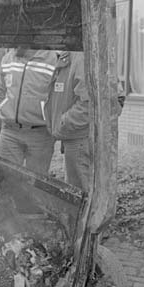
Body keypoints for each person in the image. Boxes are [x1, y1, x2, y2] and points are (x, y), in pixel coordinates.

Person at [0, 48, 59, 175]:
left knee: (36, 182)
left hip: (41, 134)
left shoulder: (53, 60)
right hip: (9, 132)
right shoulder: (8, 59)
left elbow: (59, 95)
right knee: (4, 177)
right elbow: (1, 88)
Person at [45, 51, 91, 192]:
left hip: (79, 136)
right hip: (72, 135)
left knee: (81, 191)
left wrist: (63, 123)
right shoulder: (66, 58)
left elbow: (88, 104)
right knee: (74, 187)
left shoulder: (80, 59)